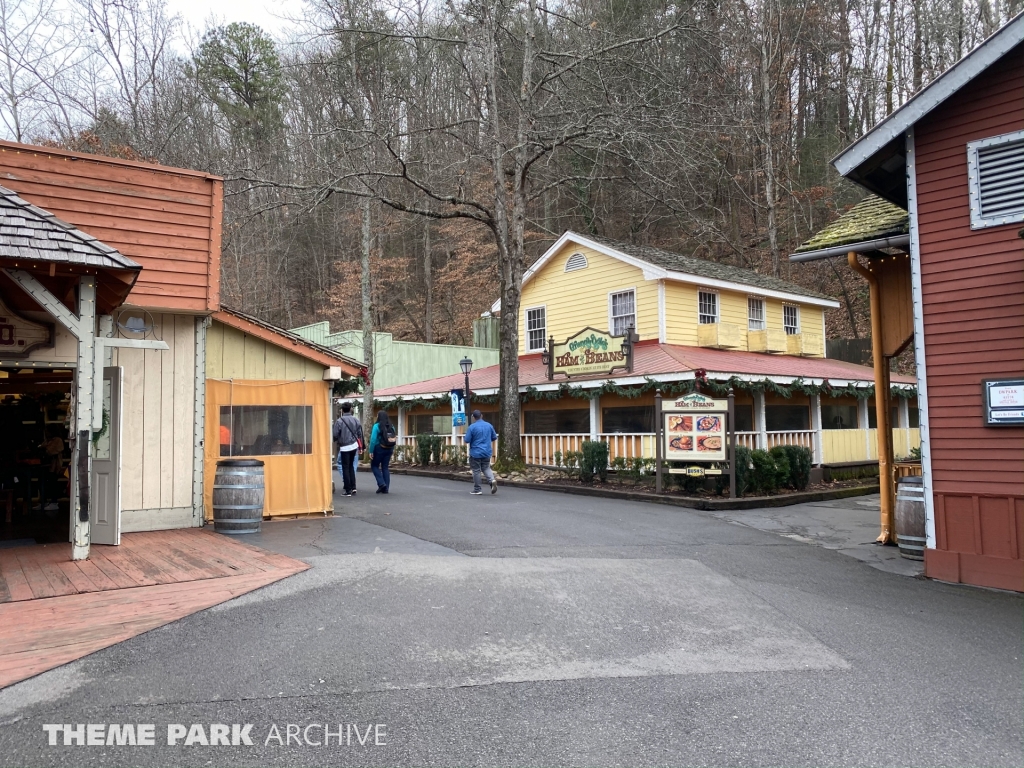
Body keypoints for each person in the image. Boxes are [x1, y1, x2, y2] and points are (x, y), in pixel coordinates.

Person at [463, 410, 498, 495]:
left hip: (476, 452)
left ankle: (477, 489)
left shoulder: (472, 427)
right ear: (481, 416)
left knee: (476, 470)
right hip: (486, 451)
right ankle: (491, 480)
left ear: (473, 417)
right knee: (486, 468)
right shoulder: (489, 425)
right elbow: (494, 437)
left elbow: (467, 440)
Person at [333, 403, 363, 497]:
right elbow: (359, 433)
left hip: (344, 446)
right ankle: (353, 487)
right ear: (350, 409)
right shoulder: (356, 420)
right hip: (354, 445)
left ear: (342, 410)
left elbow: (335, 434)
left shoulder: (339, 421)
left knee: (345, 467)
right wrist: (361, 446)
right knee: (350, 466)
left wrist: (337, 440)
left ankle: (348, 489)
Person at [369, 410, 396, 494]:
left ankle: (381, 484)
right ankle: (386, 488)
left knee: (374, 466)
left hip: (379, 448)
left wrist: (371, 451)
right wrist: (392, 449)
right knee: (385, 467)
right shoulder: (392, 426)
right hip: (389, 449)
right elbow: (393, 438)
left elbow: (373, 440)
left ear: (378, 417)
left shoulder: (377, 426)